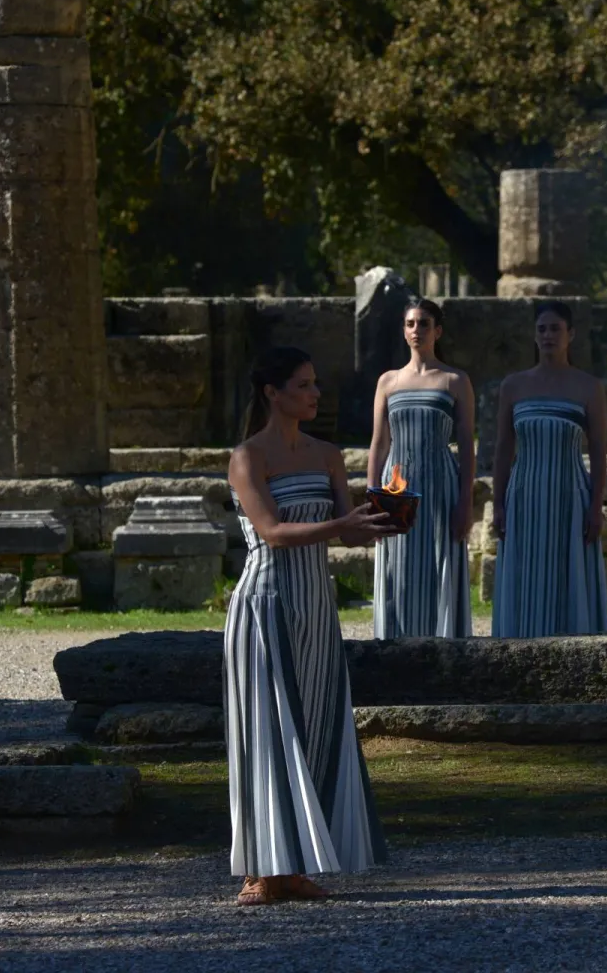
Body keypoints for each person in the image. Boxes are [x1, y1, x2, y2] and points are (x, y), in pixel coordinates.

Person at [224, 346, 397, 905]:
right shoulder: (248, 457)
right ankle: (260, 869)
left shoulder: (327, 455)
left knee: (317, 724)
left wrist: (382, 521)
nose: (315, 394)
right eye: (303, 385)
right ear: (272, 393)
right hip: (265, 603)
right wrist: (341, 522)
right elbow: (272, 532)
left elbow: (347, 530)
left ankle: (295, 867)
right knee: (266, 732)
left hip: (316, 606)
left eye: (315, 383)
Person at [491, 303, 607, 638]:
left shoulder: (588, 387)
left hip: (570, 495)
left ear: (571, 334)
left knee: (568, 575)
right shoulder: (513, 386)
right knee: (525, 575)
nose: (548, 335)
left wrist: (596, 505)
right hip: (524, 495)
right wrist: (498, 503)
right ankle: (518, 649)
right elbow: (503, 448)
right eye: (541, 329)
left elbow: (598, 449)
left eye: (555, 328)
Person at [368, 299, 475, 639]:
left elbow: (467, 445)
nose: (417, 330)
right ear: (404, 331)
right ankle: (395, 645)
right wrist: (372, 499)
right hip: (396, 488)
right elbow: (379, 443)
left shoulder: (455, 380)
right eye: (411, 324)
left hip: (442, 484)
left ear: (437, 331)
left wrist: (466, 501)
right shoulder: (388, 381)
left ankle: (443, 646)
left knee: (439, 562)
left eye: (424, 323)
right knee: (398, 565)